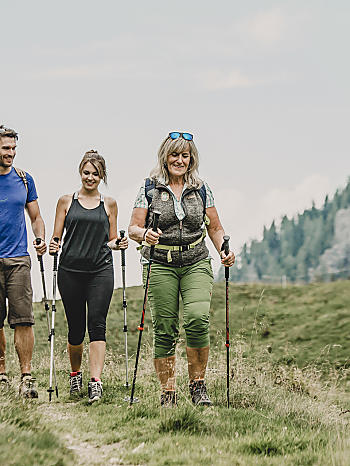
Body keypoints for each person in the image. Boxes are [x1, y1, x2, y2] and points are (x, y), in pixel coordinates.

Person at [128, 131, 235, 407]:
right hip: (159, 262)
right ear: (165, 156)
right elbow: (133, 228)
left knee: (198, 320)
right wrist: (144, 234)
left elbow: (215, 227)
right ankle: (168, 392)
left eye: (184, 155)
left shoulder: (201, 188)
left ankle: (198, 386)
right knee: (164, 328)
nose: (179, 160)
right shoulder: (150, 187)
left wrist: (224, 249)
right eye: (174, 154)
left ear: (191, 159)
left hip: (195, 260)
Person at [49, 150, 128, 403]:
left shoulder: (110, 204)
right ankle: (75, 374)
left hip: (100, 271)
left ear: (101, 176)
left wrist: (120, 244)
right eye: (86, 172)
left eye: (95, 174)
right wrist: (53, 245)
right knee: (75, 329)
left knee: (97, 324)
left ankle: (96, 382)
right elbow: (56, 238)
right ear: (80, 172)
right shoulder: (65, 201)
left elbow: (112, 240)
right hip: (70, 271)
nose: (90, 178)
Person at [0, 124, 47, 397]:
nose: (11, 153)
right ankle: (2, 375)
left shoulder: (24, 179)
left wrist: (39, 237)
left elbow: (36, 217)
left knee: (23, 320)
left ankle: (26, 376)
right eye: (6, 148)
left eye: (14, 148)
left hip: (18, 258)